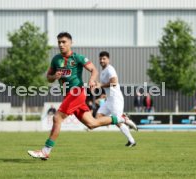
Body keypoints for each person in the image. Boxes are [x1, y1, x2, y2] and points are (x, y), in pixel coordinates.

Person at [28, 32, 137, 160]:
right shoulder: (56, 59)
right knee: (92, 123)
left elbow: (94, 69)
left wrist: (92, 79)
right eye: (59, 42)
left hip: (77, 93)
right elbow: (48, 78)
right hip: (68, 95)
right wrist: (54, 77)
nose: (61, 45)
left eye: (64, 42)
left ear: (71, 43)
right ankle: (120, 118)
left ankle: (45, 151)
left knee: (57, 118)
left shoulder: (78, 58)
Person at [95, 51, 136, 147]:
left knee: (117, 121)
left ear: (108, 60)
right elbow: (106, 87)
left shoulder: (110, 69)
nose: (102, 60)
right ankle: (124, 121)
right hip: (109, 100)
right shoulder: (103, 72)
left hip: (115, 99)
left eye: (104, 58)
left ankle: (124, 122)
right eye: (100, 59)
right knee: (98, 117)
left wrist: (101, 85)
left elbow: (114, 82)